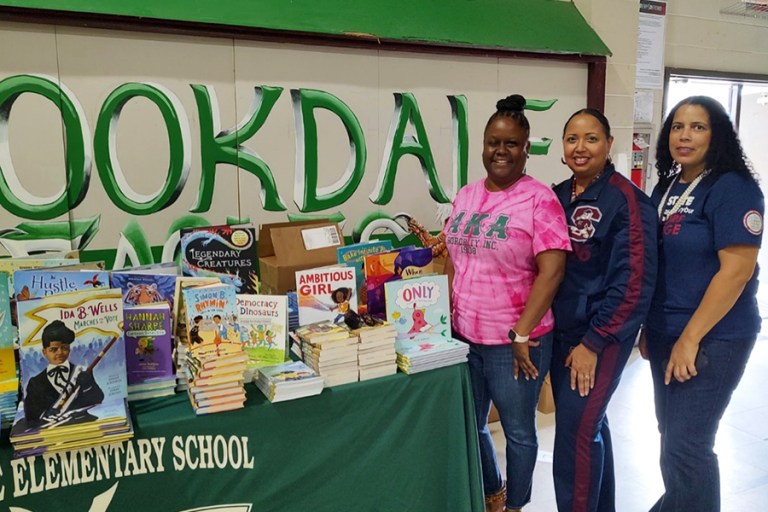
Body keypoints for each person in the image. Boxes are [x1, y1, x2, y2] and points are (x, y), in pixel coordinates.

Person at [444, 94, 570, 512]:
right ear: (483, 145)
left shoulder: (539, 200)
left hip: (516, 343)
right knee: (472, 424)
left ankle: (517, 505)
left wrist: (521, 331)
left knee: (517, 431)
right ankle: (493, 493)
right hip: (465, 337)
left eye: (511, 143)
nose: (501, 151)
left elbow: (551, 272)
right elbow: (454, 260)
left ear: (526, 149)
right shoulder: (465, 195)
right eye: (493, 142)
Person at [640, 96, 764, 512]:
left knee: (688, 445)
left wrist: (690, 338)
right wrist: (649, 327)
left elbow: (737, 270)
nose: (685, 136)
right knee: (670, 437)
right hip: (665, 330)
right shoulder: (666, 186)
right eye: (678, 127)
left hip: (714, 337)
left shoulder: (733, 187)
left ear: (718, 135)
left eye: (698, 127)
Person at [551, 109, 657, 512]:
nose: (581, 147)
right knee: (589, 427)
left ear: (609, 144)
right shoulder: (558, 195)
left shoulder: (627, 201)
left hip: (601, 338)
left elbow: (634, 284)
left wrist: (593, 343)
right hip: (562, 333)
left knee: (576, 434)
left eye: (591, 138)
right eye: (572, 138)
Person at [23, 319, 105, 425]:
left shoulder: (82, 372)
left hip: (84, 425)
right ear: (44, 352)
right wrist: (44, 413)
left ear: (70, 349)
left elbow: (98, 399)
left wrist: (89, 386)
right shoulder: (35, 383)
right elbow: (30, 416)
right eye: (53, 349)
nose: (60, 352)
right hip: (52, 432)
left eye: (65, 348)